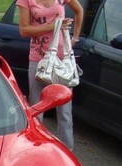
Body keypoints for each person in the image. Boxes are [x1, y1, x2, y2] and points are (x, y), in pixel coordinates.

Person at [17, 0, 83, 151]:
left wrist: (75, 38)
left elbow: (79, 10)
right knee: (37, 109)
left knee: (65, 112)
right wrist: (51, 27)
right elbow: (24, 30)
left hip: (62, 61)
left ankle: (66, 152)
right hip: (38, 60)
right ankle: (35, 149)